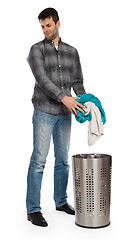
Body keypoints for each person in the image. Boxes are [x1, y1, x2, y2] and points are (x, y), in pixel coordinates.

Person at [26, 7, 86, 227]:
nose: (45, 30)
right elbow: (43, 80)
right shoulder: (36, 50)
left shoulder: (72, 52)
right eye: (42, 26)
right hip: (43, 111)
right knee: (39, 161)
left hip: (65, 113)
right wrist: (65, 98)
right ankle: (32, 209)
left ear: (58, 24)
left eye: (48, 25)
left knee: (62, 160)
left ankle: (61, 201)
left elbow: (77, 81)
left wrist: (84, 100)